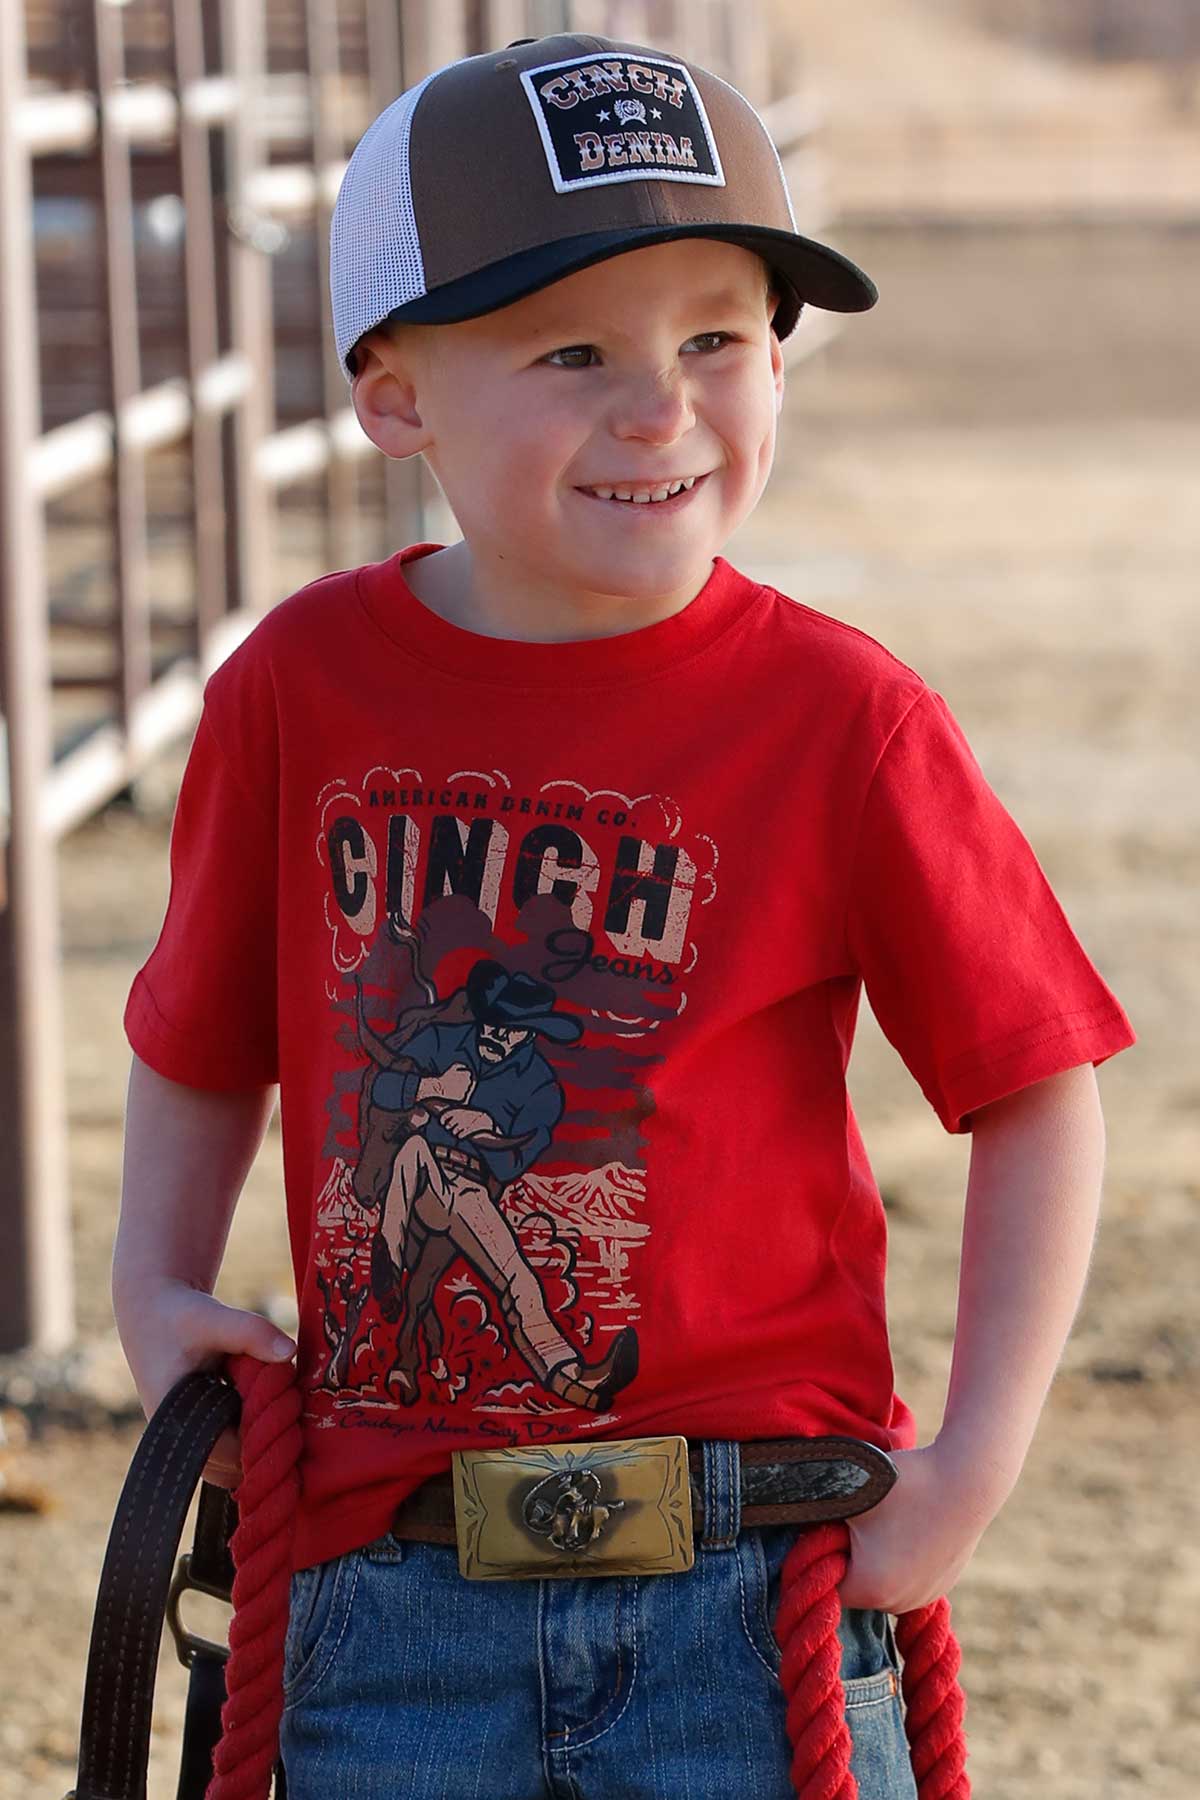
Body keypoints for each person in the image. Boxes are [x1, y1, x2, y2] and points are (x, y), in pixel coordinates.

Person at [111, 30, 1133, 1800]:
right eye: (572, 349)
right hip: (387, 1594)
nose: (662, 408)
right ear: (395, 388)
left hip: (751, 1588)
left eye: (719, 339)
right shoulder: (297, 690)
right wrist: (152, 1288)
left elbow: (1039, 1090)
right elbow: (202, 1038)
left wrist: (970, 1467)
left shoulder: (843, 719)